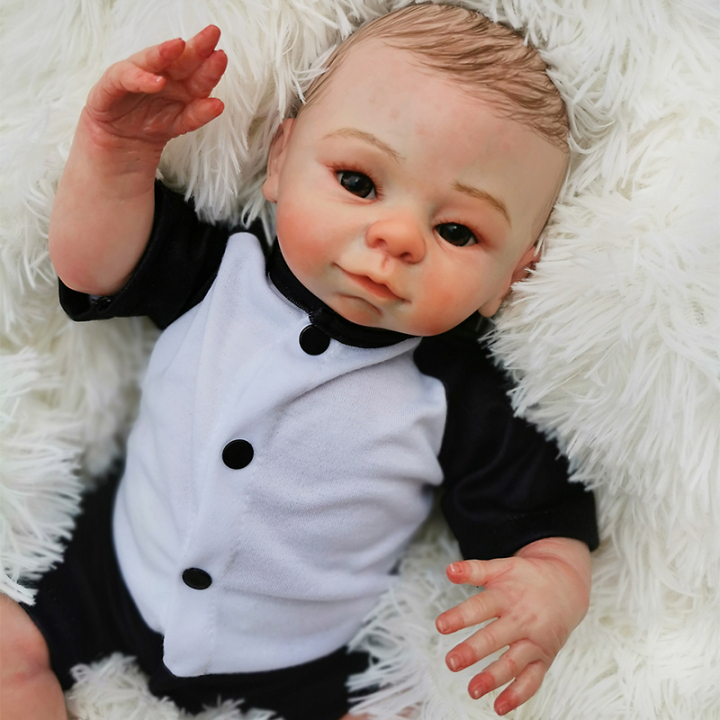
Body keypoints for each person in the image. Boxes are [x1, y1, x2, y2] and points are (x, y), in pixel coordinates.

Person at [0, 5, 599, 720]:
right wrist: (118, 155)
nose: (398, 237)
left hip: (300, 663)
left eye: (457, 231)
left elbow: (541, 517)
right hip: (114, 578)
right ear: (280, 161)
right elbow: (93, 265)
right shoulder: (218, 273)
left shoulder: (459, 394)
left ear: (511, 278)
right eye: (359, 182)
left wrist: (554, 584)